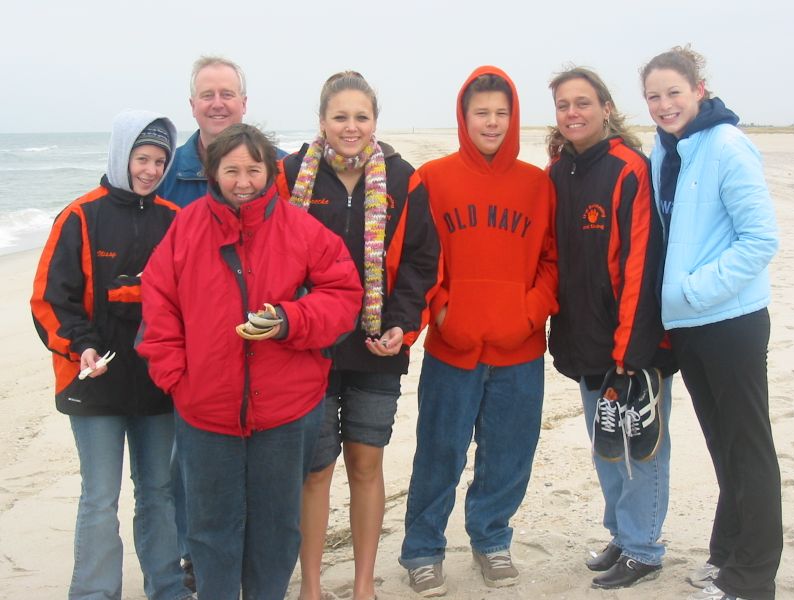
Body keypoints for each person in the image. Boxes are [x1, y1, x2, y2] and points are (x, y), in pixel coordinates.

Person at [137, 123, 363, 600]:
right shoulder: (186, 228)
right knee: (209, 530)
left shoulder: (301, 228)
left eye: (253, 170)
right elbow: (158, 305)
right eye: (231, 170)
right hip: (205, 411)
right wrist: (176, 378)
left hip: (286, 410)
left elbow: (344, 296)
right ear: (213, 172)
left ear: (269, 172)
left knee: (276, 529)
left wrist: (290, 319)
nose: (243, 182)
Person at [276, 71, 440, 600]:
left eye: (361, 117)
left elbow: (421, 262)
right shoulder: (289, 175)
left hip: (376, 347)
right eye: (340, 117)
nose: (351, 127)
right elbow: (271, 255)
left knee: (366, 466)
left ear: (375, 121)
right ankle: (312, 587)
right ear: (322, 120)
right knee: (316, 470)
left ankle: (364, 585)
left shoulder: (403, 178)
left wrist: (401, 325)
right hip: (309, 349)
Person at [397, 66, 558, 597]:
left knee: (509, 453)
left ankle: (491, 539)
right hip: (453, 348)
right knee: (439, 452)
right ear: (463, 118)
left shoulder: (538, 184)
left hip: (520, 350)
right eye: (481, 113)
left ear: (514, 117)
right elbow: (419, 259)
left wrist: (529, 314)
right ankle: (423, 549)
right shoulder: (432, 178)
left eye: (501, 113)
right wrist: (443, 312)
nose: (491, 122)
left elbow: (552, 261)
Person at [30, 110, 192, 600]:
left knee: (158, 492)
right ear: (122, 156)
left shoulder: (175, 219)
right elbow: (49, 300)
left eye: (159, 161)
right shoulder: (80, 216)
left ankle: (167, 588)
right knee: (100, 497)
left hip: (156, 383)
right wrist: (82, 345)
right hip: (94, 380)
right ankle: (94, 592)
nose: (150, 170)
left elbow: (192, 299)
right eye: (141, 158)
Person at [641, 46, 782, 600]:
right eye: (653, 96)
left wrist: (695, 290)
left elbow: (760, 239)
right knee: (723, 449)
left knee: (749, 449)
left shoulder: (726, 145)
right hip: (690, 326)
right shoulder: (665, 149)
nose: (664, 104)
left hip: (731, 321)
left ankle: (753, 578)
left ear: (699, 89)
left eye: (674, 92)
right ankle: (726, 557)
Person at [546, 67, 676, 590]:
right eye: (563, 105)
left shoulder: (629, 169)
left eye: (583, 102)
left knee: (642, 447)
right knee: (606, 445)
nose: (572, 113)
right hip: (586, 342)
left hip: (635, 344)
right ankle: (623, 536)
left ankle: (644, 548)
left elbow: (641, 265)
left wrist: (630, 350)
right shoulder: (558, 172)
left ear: (605, 108)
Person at [157, 55, 286, 207]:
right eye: (207, 95)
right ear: (193, 106)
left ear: (244, 103)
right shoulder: (163, 172)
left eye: (227, 95)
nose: (217, 104)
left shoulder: (283, 168)